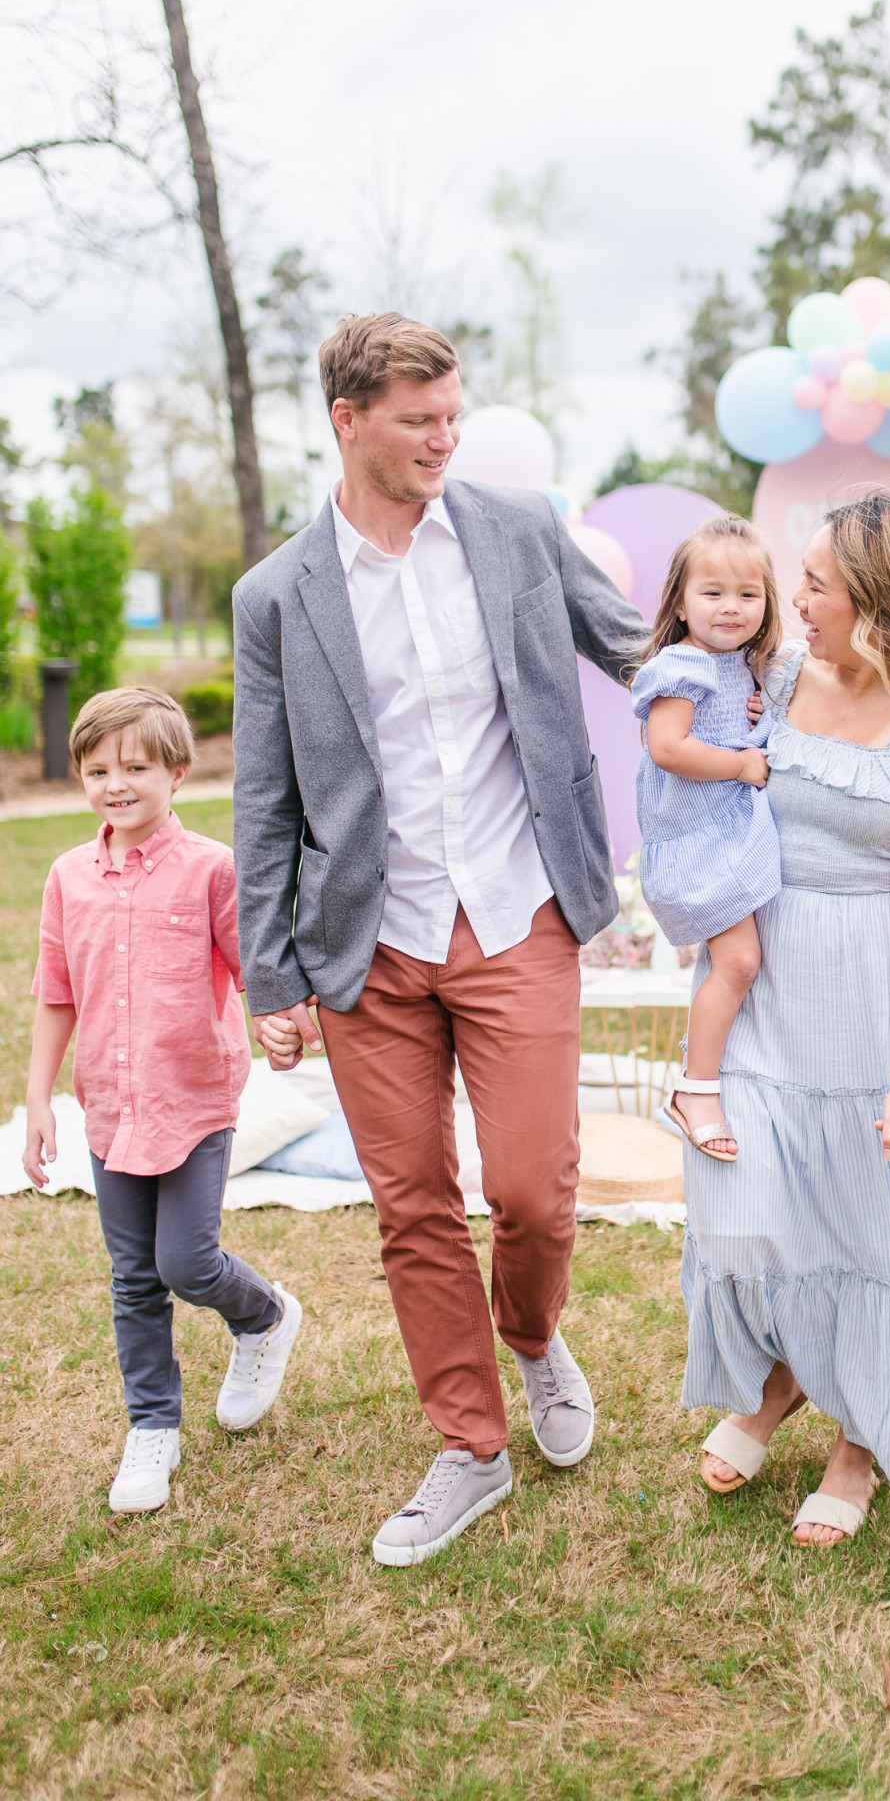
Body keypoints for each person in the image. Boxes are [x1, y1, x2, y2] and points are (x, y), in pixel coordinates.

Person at [231, 312, 645, 1567]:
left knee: (532, 1190)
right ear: (348, 422)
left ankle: (532, 1334)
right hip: (369, 941)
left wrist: (795, 689)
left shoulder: (517, 529)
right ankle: (470, 1447)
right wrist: (274, 973)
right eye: (417, 420)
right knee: (413, 1205)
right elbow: (264, 796)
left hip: (519, 905)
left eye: (451, 415)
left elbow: (639, 650)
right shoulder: (277, 596)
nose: (441, 440)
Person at [684, 489, 890, 1545]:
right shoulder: (772, 673)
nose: (799, 595)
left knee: (875, 1220)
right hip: (758, 978)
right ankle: (780, 1376)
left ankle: (859, 1440)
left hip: (869, 984)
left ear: (879, 598)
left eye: (819, 579)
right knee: (754, 1196)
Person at [23, 687, 300, 1514]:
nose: (116, 782)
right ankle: (152, 1426)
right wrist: (39, 1101)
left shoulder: (212, 867)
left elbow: (250, 964)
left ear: (177, 773)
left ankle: (264, 1316)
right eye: (98, 768)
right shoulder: (68, 876)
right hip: (109, 1106)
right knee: (133, 1278)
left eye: (136, 766)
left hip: (193, 1100)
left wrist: (276, 1023)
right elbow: (55, 992)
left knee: (184, 1263)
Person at [631, 515, 784, 1161]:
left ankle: (729, 1077)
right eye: (712, 592)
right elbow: (667, 747)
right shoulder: (683, 663)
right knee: (739, 962)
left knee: (753, 963)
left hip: (729, 835)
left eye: (747, 594)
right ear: (679, 602)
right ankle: (695, 1088)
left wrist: (761, 710)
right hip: (698, 840)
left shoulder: (741, 668)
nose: (730, 607)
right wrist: (740, 763)